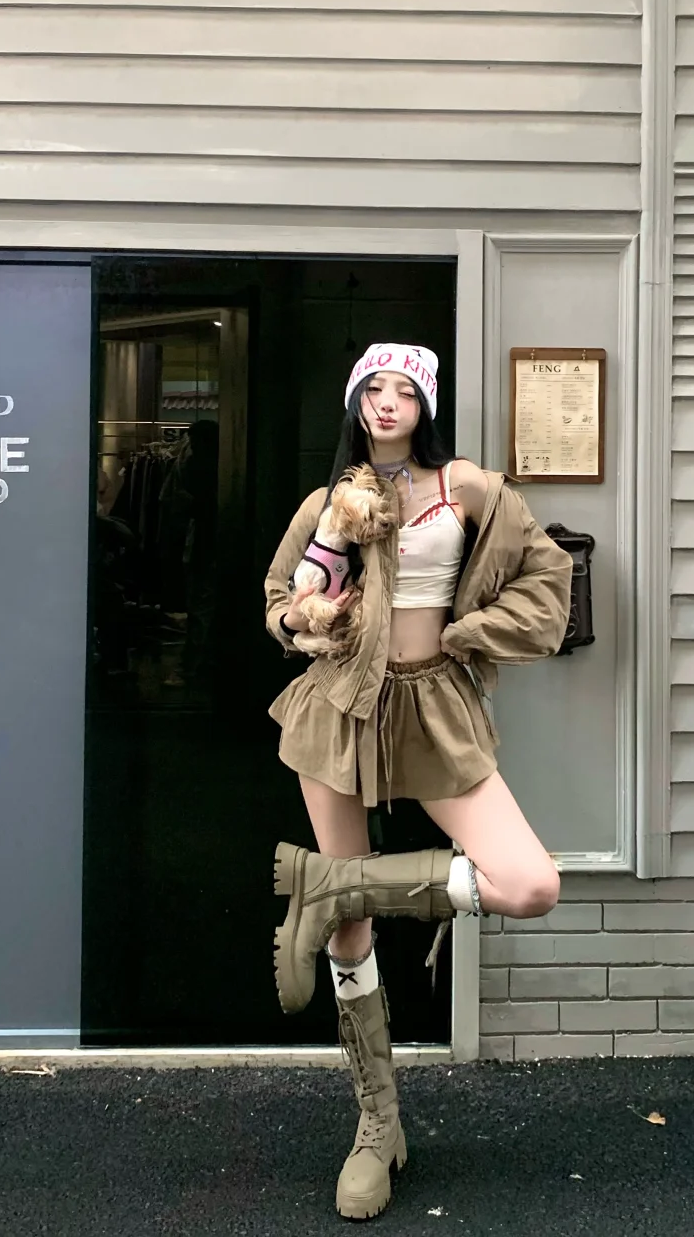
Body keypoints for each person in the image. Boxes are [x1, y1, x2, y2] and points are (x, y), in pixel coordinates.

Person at [263, 343, 573, 1222]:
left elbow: (548, 575)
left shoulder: (467, 487)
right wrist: (304, 617)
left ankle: (326, 886)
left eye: (405, 390)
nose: (389, 403)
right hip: (339, 707)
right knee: (348, 928)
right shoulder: (330, 502)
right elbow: (278, 597)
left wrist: (471, 631)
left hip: (435, 705)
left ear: (425, 405)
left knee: (529, 882)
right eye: (375, 388)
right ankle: (377, 1124)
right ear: (356, 401)